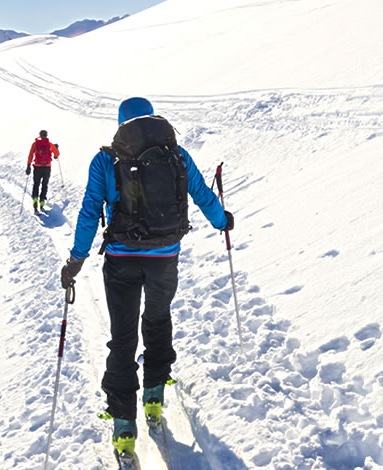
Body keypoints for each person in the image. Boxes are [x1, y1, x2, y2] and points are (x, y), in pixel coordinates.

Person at [59, 97, 233, 460]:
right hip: (165, 256)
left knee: (122, 337)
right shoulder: (177, 154)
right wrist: (222, 221)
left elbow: (91, 210)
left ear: (121, 123)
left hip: (121, 261)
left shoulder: (106, 159)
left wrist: (76, 261)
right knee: (157, 319)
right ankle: (154, 392)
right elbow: (200, 193)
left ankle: (124, 424)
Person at [27, 130, 59, 211]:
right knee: (44, 184)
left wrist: (28, 165)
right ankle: (41, 201)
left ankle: (35, 199)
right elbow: (57, 154)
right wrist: (56, 148)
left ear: (40, 135)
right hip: (47, 167)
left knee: (36, 184)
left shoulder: (35, 144)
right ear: (46, 135)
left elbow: (31, 155)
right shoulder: (49, 144)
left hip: (37, 167)